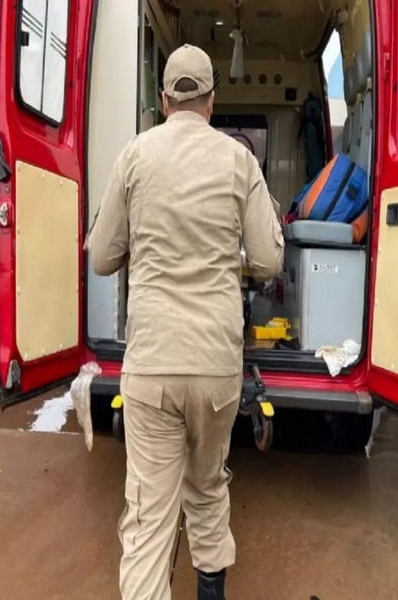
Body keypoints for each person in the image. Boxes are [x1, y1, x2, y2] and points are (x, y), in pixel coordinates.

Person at [86, 44, 284, 600]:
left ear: (164, 98)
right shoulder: (240, 161)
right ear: (213, 101)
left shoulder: (134, 156)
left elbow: (102, 258)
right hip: (217, 367)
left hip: (151, 365)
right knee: (207, 486)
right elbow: (268, 262)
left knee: (149, 516)